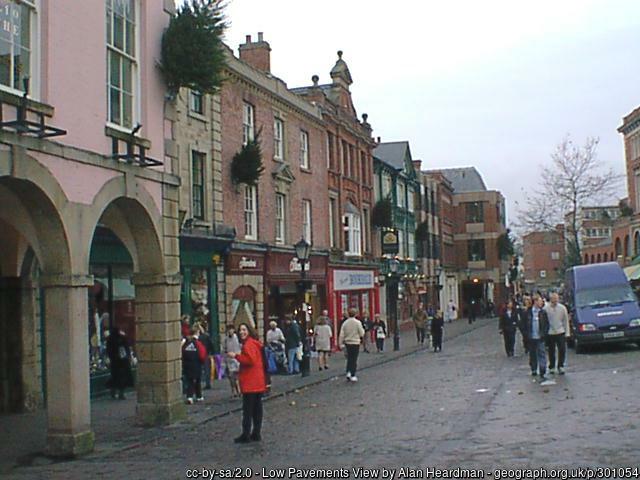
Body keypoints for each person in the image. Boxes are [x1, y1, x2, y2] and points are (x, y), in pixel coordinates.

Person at [227, 323, 268, 443]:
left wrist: (236, 356)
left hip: (251, 382)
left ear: (249, 331)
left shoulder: (248, 345)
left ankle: (246, 434)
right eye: (240, 330)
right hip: (258, 381)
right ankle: (256, 433)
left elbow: (250, 360)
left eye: (244, 330)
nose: (241, 332)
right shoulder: (255, 343)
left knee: (248, 410)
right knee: (257, 409)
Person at [524, 294, 550, 382]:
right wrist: (526, 334)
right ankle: (534, 368)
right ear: (535, 302)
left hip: (540, 337)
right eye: (539, 301)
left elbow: (546, 324)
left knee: (542, 353)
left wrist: (544, 334)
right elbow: (523, 324)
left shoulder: (543, 312)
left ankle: (543, 369)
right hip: (531, 337)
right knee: (533, 354)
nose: (541, 303)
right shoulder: (528, 312)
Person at [544, 292, 570, 375]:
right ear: (550, 299)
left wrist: (567, 333)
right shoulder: (546, 309)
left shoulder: (562, 308)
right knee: (551, 350)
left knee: (562, 349)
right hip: (550, 332)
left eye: (556, 298)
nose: (555, 300)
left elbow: (565, 321)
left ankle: (560, 366)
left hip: (560, 331)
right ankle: (552, 366)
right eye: (553, 299)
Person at [106, 327, 133, 400]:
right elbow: (126, 348)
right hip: (121, 361)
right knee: (121, 377)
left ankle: (115, 392)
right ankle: (120, 393)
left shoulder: (110, 339)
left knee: (116, 377)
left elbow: (108, 350)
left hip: (116, 361)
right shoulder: (121, 338)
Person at [182, 325, 207, 404]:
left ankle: (193, 396)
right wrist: (202, 361)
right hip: (196, 364)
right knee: (197, 380)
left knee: (190, 380)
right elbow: (202, 354)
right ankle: (196, 396)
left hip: (187, 364)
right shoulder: (198, 343)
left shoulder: (186, 341)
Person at [339, 307, 365, 382]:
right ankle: (353, 374)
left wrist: (340, 343)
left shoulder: (345, 323)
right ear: (355, 314)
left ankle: (348, 372)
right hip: (355, 342)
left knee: (349, 358)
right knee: (354, 359)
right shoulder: (357, 322)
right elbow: (362, 333)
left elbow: (341, 334)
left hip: (347, 342)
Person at [224, 324, 241, 397]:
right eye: (228, 330)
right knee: (231, 377)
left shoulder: (238, 338)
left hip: (237, 359)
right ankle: (233, 390)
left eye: (231, 330)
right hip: (229, 360)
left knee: (237, 376)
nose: (230, 331)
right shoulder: (226, 339)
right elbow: (224, 349)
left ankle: (239, 390)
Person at [198, 322, 215, 390]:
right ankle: (207, 384)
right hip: (206, 354)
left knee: (205, 369)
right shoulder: (206, 336)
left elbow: (210, 344)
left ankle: (206, 384)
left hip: (203, 355)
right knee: (206, 369)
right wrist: (212, 352)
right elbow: (211, 345)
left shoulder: (201, 337)